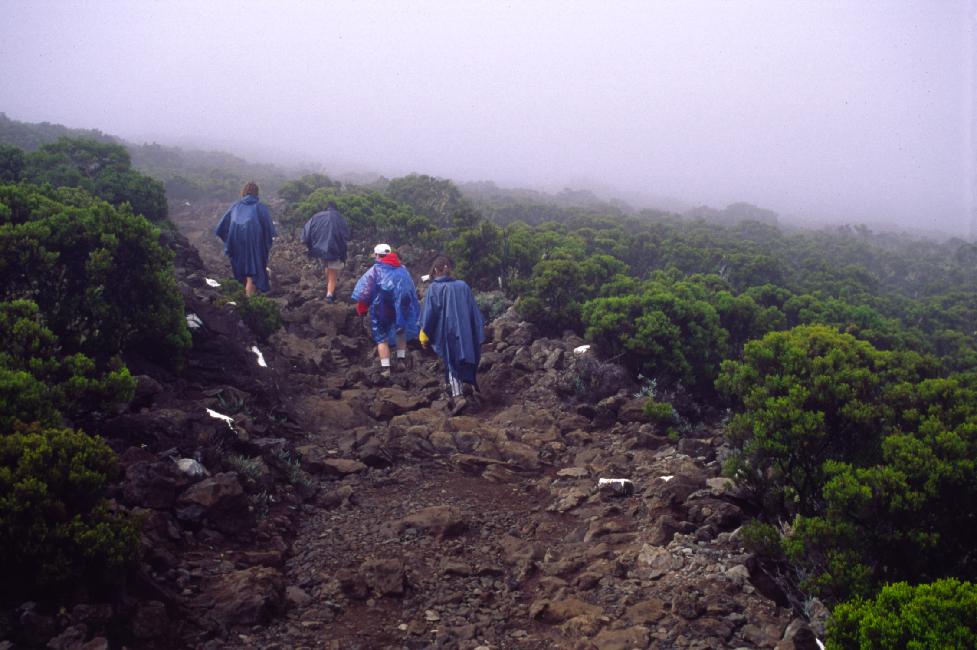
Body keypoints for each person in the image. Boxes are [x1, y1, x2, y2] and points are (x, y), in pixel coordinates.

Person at [419, 255, 485, 415]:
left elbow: (429, 315)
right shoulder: (463, 286)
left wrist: (424, 335)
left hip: (447, 332)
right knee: (466, 355)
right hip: (466, 331)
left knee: (451, 361)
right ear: (448, 269)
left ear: (436, 270)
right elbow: (474, 312)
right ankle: (470, 387)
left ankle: (458, 396)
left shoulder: (434, 289)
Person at [351, 243, 421, 377]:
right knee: (400, 330)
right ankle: (401, 360)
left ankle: (386, 369)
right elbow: (410, 289)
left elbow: (366, 291)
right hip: (402, 306)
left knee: (381, 337)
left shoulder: (375, 270)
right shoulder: (403, 269)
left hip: (382, 307)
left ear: (378, 255)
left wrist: (361, 308)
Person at [214, 181, 276, 297]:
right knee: (253, 271)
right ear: (256, 193)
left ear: (243, 192)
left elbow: (221, 227)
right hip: (254, 241)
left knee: (241, 268)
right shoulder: (260, 207)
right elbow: (268, 228)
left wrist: (229, 240)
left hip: (236, 240)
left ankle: (243, 296)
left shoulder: (235, 206)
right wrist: (264, 244)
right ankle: (249, 301)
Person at [301, 201, 349, 303]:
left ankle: (329, 288)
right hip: (335, 249)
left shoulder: (317, 216)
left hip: (319, 250)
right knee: (333, 273)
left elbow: (306, 231)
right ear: (336, 208)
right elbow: (346, 235)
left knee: (327, 267)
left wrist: (309, 245)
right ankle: (329, 295)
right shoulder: (339, 218)